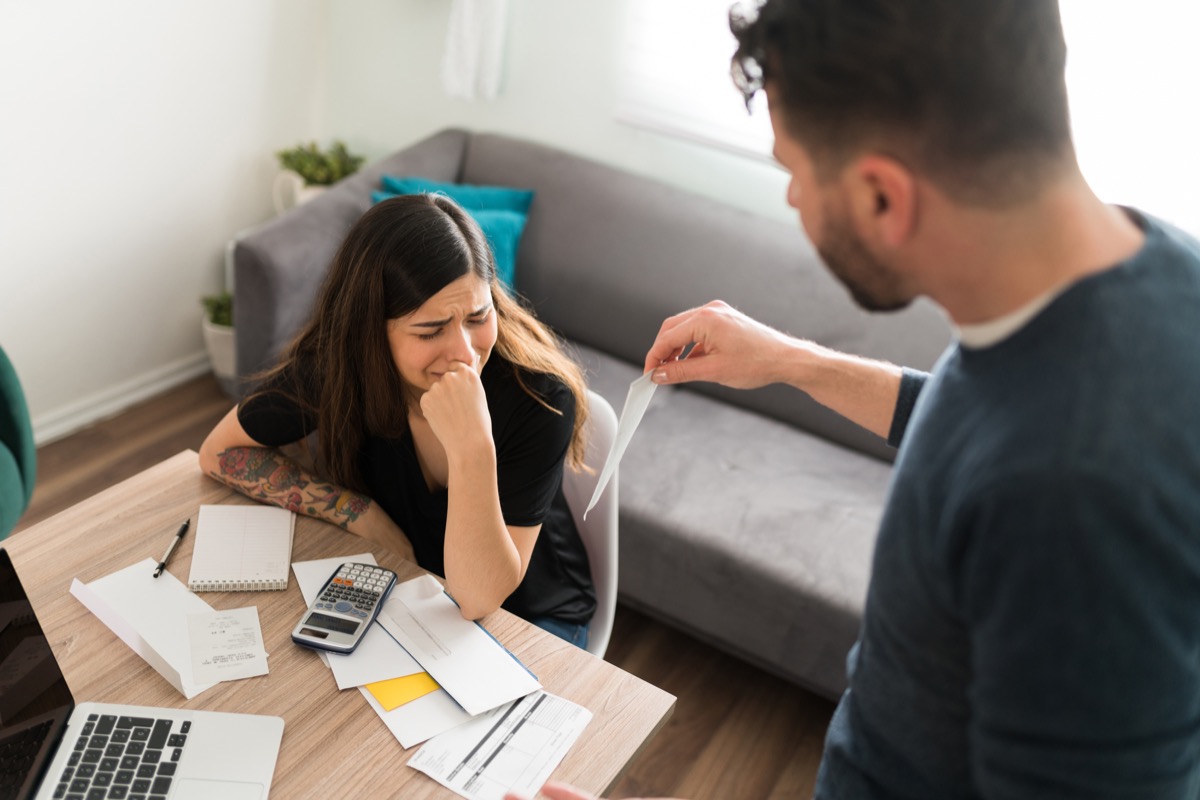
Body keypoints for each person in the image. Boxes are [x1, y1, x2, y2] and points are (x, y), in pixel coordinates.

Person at [510, 0, 1200, 797]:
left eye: (797, 173)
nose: (796, 201)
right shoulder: (1147, 276)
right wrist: (788, 361)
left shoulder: (1073, 493)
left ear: (883, 196)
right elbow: (974, 416)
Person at [199, 193, 596, 646]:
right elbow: (220, 452)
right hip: (413, 586)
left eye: (478, 317)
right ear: (368, 331)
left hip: (531, 618)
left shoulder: (539, 399)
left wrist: (471, 447)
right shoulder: (341, 368)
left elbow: (480, 598)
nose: (465, 354)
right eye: (431, 330)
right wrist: (361, 515)